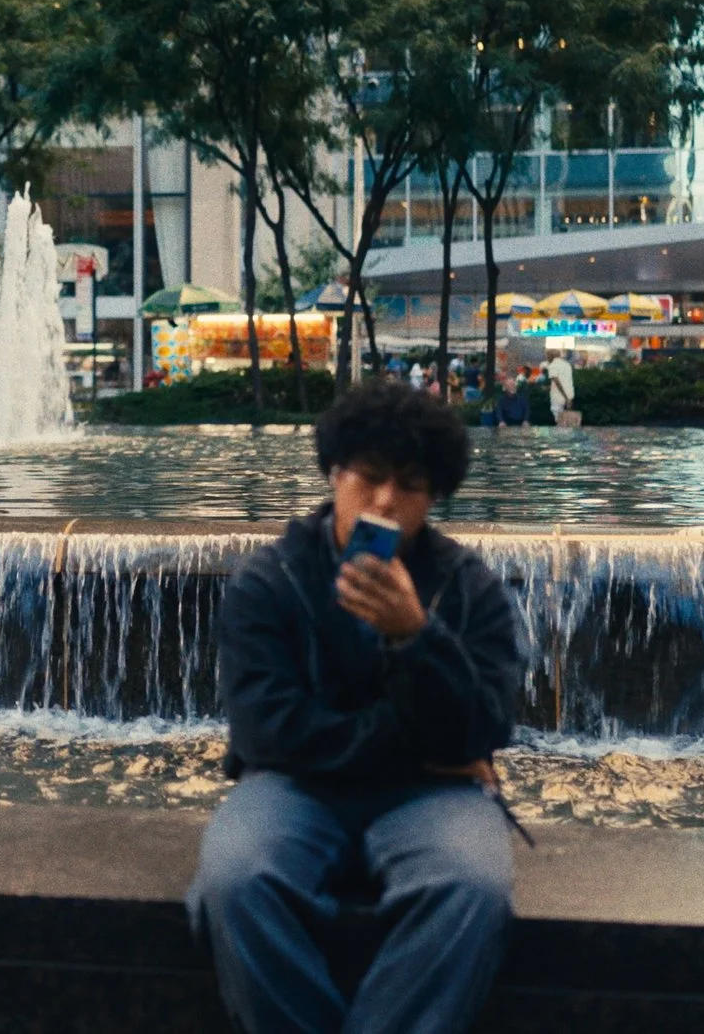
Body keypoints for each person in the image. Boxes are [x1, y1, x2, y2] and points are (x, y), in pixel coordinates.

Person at [187, 382, 521, 1034]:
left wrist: (416, 636)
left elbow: (488, 723)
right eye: (370, 476)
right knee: (238, 880)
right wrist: (430, 754)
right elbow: (266, 730)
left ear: (436, 495)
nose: (387, 499)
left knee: (469, 890)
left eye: (412, 484)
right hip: (301, 785)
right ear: (335, 472)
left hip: (429, 797)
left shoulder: (468, 586)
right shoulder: (271, 580)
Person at [545, 349, 578, 428]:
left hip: (558, 397)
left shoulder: (552, 365)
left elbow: (557, 381)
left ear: (550, 356)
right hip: (570, 396)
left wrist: (565, 397)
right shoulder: (567, 365)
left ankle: (560, 439)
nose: (547, 358)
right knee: (567, 422)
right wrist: (568, 399)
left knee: (559, 421)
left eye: (547, 356)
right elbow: (565, 381)